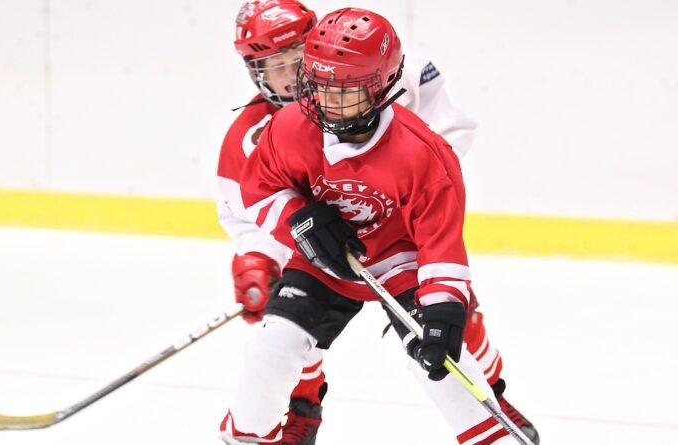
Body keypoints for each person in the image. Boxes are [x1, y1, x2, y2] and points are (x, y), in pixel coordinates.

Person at [215, 2, 539, 444]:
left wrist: (444, 304)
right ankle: (263, 432)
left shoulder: (425, 152)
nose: (327, 100)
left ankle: (491, 415)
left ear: (384, 86)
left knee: (444, 357)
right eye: (316, 83)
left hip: (401, 255)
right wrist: (294, 227)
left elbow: (441, 241)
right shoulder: (284, 127)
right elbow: (259, 192)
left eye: (345, 91)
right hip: (321, 261)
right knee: (273, 347)